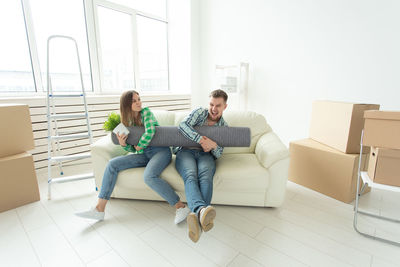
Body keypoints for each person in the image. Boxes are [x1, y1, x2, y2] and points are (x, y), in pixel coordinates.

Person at [76, 90, 190, 224]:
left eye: (139, 99)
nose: (139, 103)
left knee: (149, 176)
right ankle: (99, 209)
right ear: (126, 105)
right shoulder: (125, 122)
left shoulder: (146, 113)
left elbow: (150, 131)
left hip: (161, 151)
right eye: (134, 101)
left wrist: (140, 145)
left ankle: (180, 207)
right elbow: (133, 149)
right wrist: (123, 144)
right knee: (112, 164)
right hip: (144, 154)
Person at [174, 89, 228, 242]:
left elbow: (219, 153)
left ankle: (197, 218)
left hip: (206, 155)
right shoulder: (200, 113)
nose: (213, 109)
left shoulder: (224, 127)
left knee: (205, 177)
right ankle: (201, 211)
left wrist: (212, 145)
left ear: (225, 107)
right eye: (211, 104)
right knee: (190, 175)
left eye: (218, 105)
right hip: (185, 151)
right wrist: (200, 139)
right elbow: (183, 125)